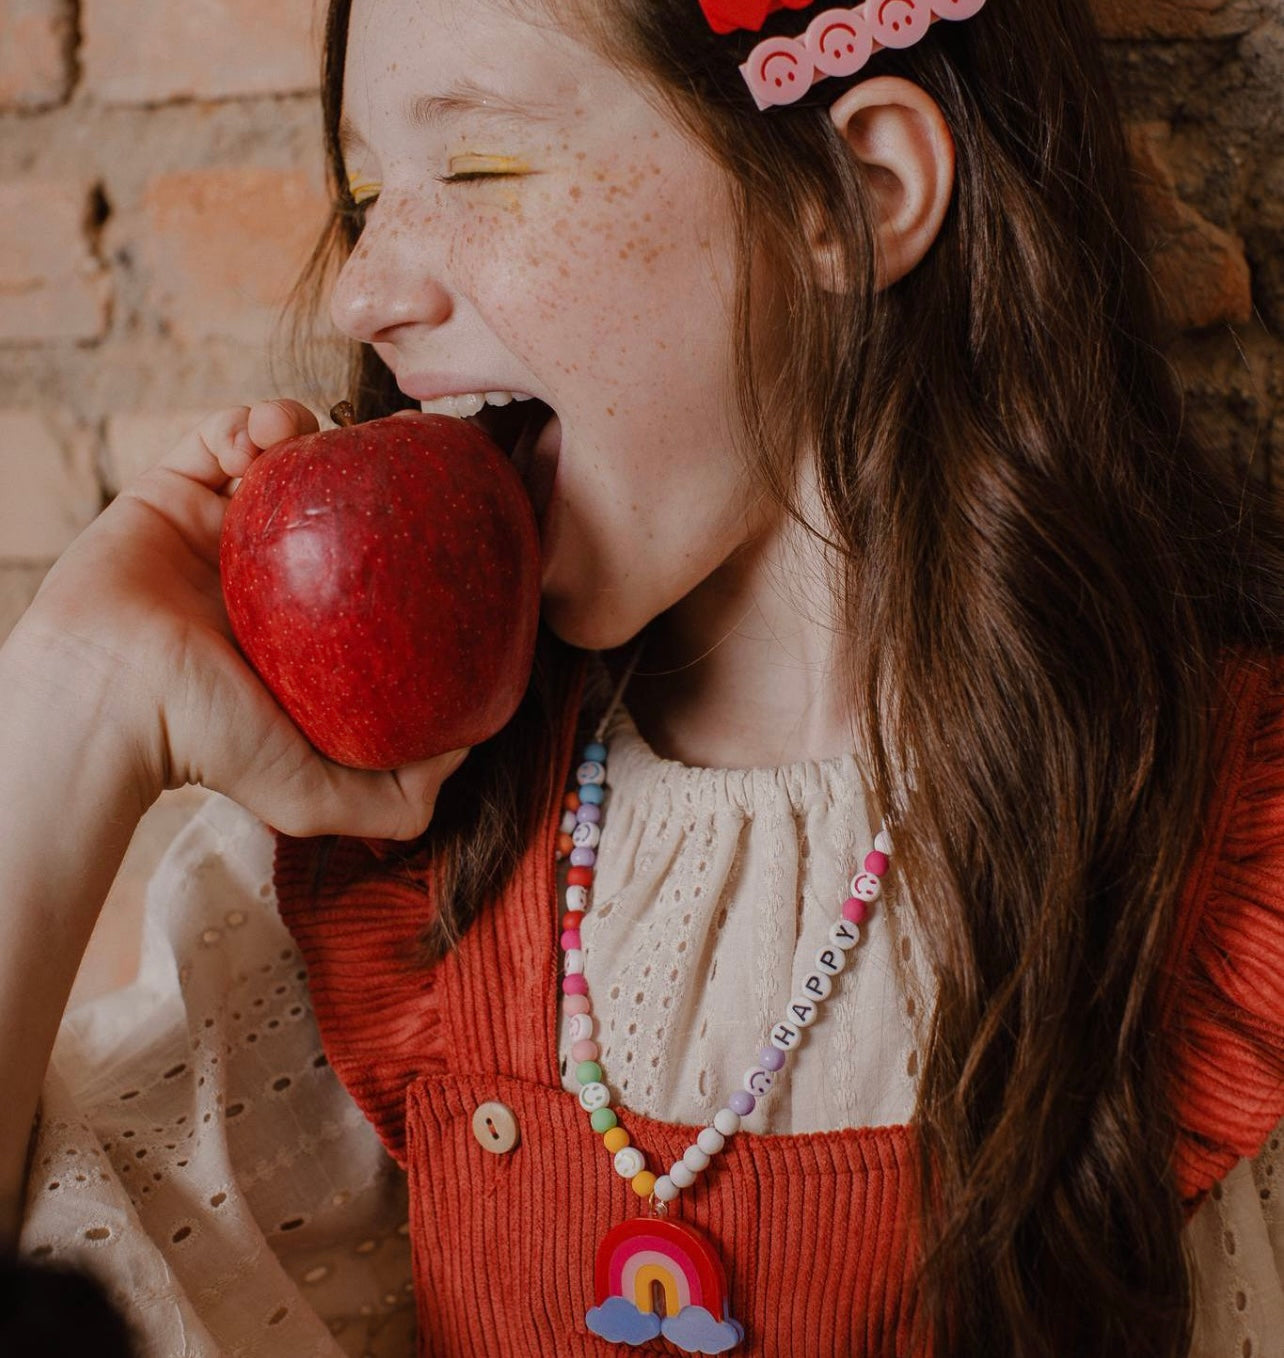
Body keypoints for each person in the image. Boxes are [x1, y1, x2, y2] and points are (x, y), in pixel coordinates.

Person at [2, 0, 1282, 1353]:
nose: (358, 292)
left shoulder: (1213, 854)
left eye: (480, 166)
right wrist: (73, 696)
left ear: (858, 195)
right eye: (367, 195)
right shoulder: (410, 851)